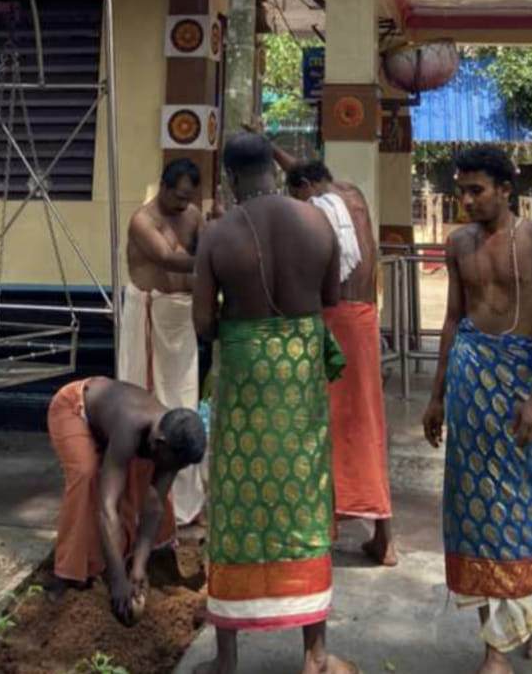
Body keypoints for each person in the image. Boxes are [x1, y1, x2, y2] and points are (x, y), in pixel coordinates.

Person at [192, 131, 357, 674]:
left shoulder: (219, 233)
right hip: (299, 375)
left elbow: (200, 321)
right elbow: (332, 298)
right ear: (272, 167)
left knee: (238, 504)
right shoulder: (317, 221)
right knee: (305, 497)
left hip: (243, 378)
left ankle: (227, 657)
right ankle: (315, 654)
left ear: (230, 176)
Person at [422, 145, 532, 672]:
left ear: (506, 189)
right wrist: (436, 395)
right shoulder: (457, 241)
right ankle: (495, 644)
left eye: (476, 190)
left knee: (525, 502)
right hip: (469, 385)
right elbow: (452, 321)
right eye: (461, 189)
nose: (466, 200)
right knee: (475, 511)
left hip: (520, 385)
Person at [282, 153, 396, 567]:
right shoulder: (353, 196)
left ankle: (323, 529)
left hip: (334, 320)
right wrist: (274, 149)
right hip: (365, 318)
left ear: (303, 189)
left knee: (322, 423)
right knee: (368, 424)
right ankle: (385, 537)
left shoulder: (314, 212)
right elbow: (304, 171)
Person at [47, 376, 206, 624]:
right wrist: (118, 579)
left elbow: (153, 505)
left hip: (113, 426)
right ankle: (67, 573)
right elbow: (106, 508)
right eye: (174, 465)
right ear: (159, 443)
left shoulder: (174, 438)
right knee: (87, 474)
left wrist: (139, 567)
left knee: (142, 483)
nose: (173, 470)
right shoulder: (131, 425)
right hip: (75, 410)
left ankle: (130, 554)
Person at [119, 158, 209, 527]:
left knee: (183, 406)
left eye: (189, 198)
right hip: (150, 321)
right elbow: (166, 258)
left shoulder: (194, 215)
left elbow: (206, 242)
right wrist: (216, 255)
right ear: (164, 186)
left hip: (183, 324)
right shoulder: (143, 220)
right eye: (178, 197)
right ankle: (144, 502)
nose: (183, 204)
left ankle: (185, 503)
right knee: (148, 408)